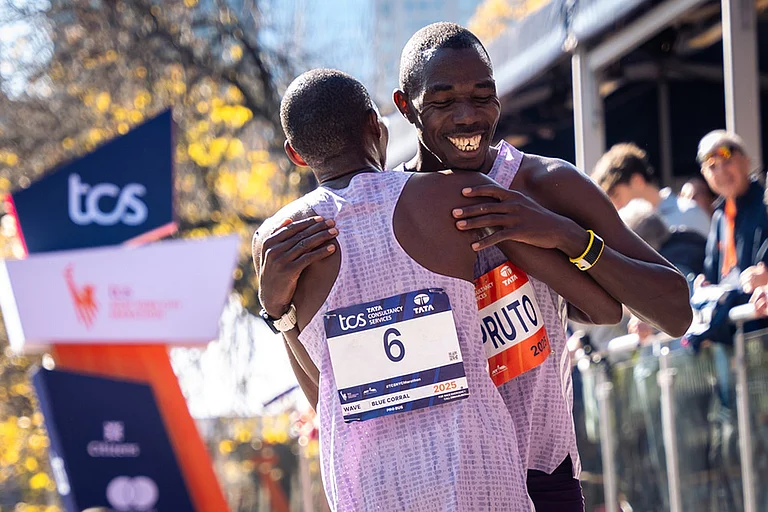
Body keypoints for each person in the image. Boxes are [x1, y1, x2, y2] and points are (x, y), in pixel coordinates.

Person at [258, 24, 691, 511]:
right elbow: (341, 398)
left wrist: (563, 234)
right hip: (443, 486)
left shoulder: (540, 183)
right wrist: (278, 314)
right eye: (443, 102)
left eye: (483, 96)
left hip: (541, 474)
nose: (468, 117)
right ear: (404, 109)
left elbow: (670, 311)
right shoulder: (381, 222)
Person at [592, 142, 711, 237]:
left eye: (617, 196)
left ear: (637, 181)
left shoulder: (689, 214)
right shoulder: (623, 230)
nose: (616, 206)